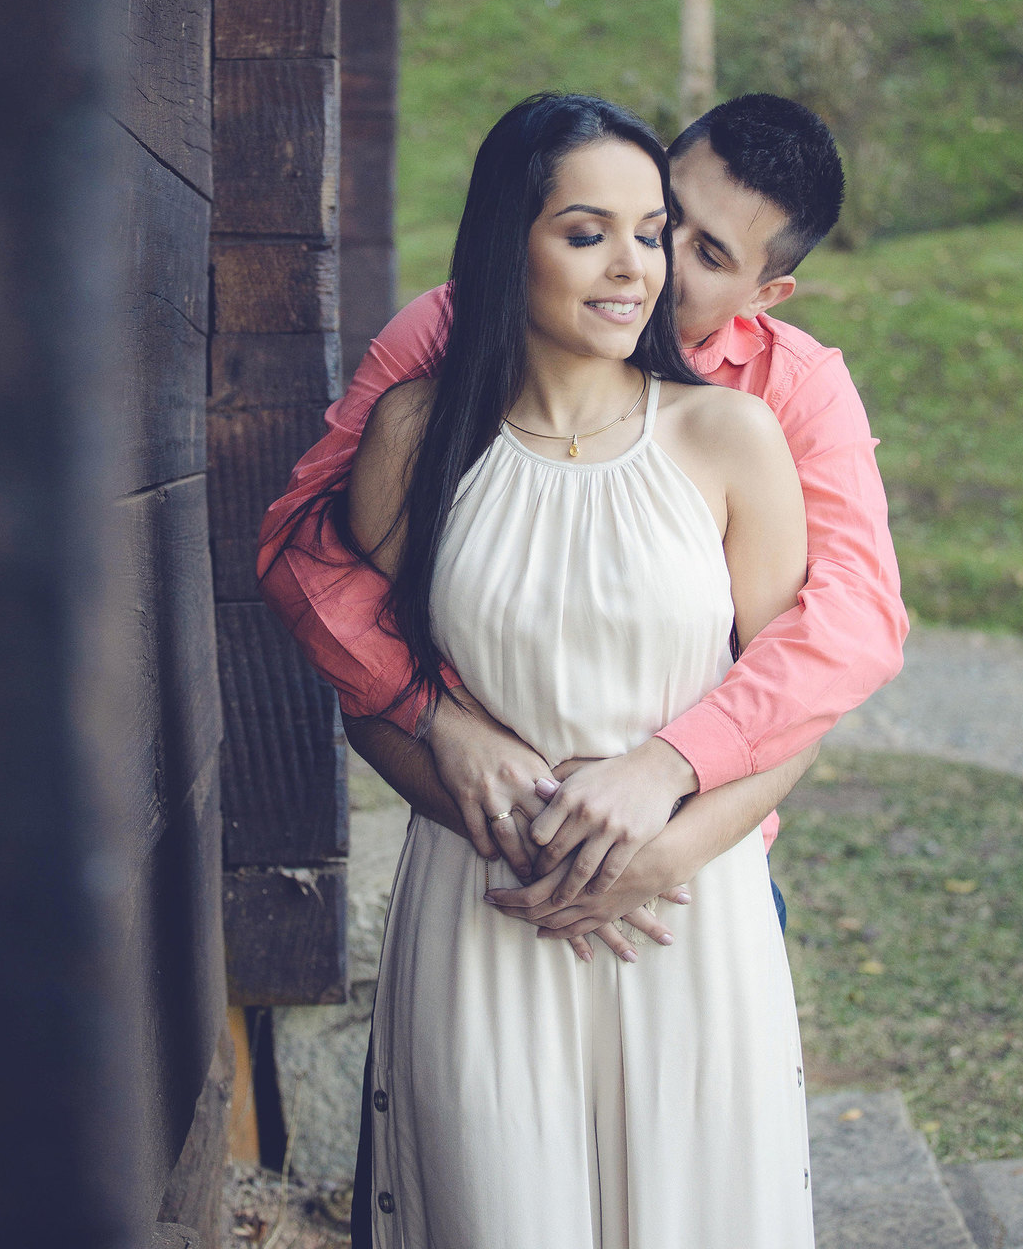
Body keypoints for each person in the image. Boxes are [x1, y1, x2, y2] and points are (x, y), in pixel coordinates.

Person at [262, 92, 890, 1247]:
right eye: (641, 220)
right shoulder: (434, 368)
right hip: (484, 897)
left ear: (766, 288)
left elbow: (842, 635)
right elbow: (315, 566)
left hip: (696, 886)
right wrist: (437, 722)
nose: (648, 268)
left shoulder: (771, 404)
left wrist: (671, 812)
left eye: (684, 245)